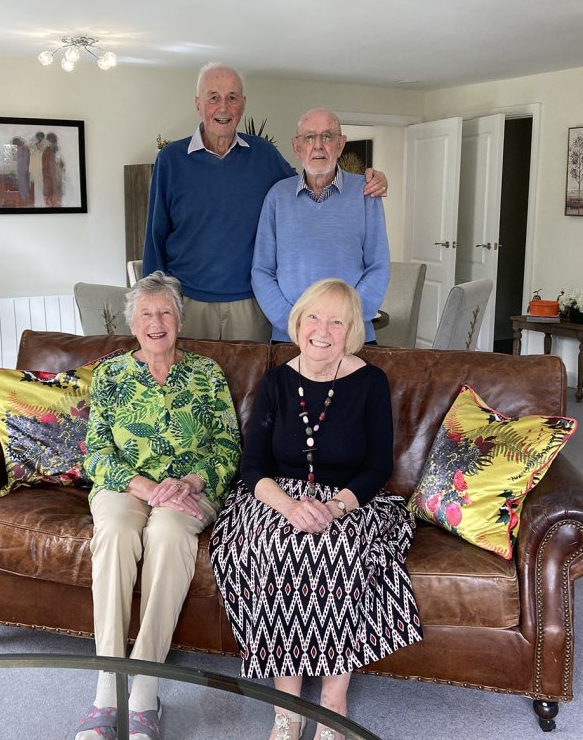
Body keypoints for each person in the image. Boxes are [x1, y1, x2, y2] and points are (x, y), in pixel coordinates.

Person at [209, 279, 422, 740]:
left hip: (349, 497)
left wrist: (335, 507)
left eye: (336, 322)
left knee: (337, 550)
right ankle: (287, 707)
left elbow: (378, 466)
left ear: (351, 331)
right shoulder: (277, 382)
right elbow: (253, 466)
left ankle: (332, 703)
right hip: (276, 495)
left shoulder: (370, 382)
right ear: (298, 322)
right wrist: (289, 507)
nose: (322, 331)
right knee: (270, 548)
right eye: (313, 318)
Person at [77, 272, 241, 740]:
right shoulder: (110, 375)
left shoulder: (207, 373)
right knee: (115, 533)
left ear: (179, 321)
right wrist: (146, 488)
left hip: (190, 489)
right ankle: (108, 686)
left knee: (168, 534)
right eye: (146, 313)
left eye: (165, 312)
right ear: (132, 323)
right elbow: (96, 453)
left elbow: (228, 446)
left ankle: (146, 689)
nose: (156, 322)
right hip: (126, 486)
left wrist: (190, 481)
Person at [143, 62, 389, 342]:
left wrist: (371, 180)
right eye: (213, 98)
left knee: (252, 373)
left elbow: (308, 183)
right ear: (198, 104)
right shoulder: (171, 160)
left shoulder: (263, 155)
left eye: (232, 98)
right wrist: (152, 303)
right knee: (191, 372)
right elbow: (155, 235)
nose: (223, 107)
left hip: (250, 306)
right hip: (189, 301)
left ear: (243, 104)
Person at [252, 108, 390, 344]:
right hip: (290, 337)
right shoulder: (277, 196)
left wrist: (345, 322)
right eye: (309, 137)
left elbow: (378, 267)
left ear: (340, 145)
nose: (318, 145)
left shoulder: (366, 193)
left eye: (327, 136)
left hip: (351, 337)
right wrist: (293, 323)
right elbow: (262, 271)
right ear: (297, 147)